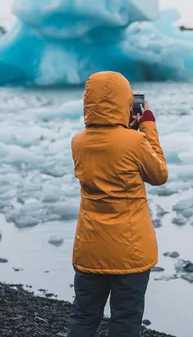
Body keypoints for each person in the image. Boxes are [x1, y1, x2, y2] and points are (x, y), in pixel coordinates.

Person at [67, 71, 168, 337]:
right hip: (130, 252)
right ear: (124, 102)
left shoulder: (78, 142)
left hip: (90, 248)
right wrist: (146, 126)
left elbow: (111, 147)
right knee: (125, 320)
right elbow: (159, 175)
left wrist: (125, 130)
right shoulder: (135, 141)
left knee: (84, 315)